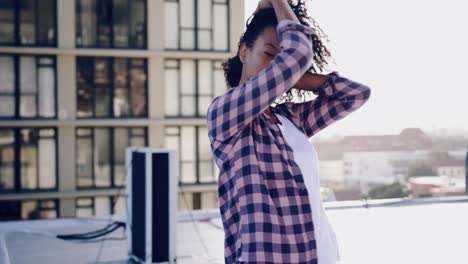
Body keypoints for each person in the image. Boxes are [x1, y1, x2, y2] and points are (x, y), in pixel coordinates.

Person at [206, 0, 371, 263]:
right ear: (244, 52)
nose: (277, 65)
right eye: (270, 53)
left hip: (321, 254)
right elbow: (296, 55)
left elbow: (355, 95)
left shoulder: (290, 118)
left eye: (281, 58)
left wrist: (292, 75)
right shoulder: (225, 113)